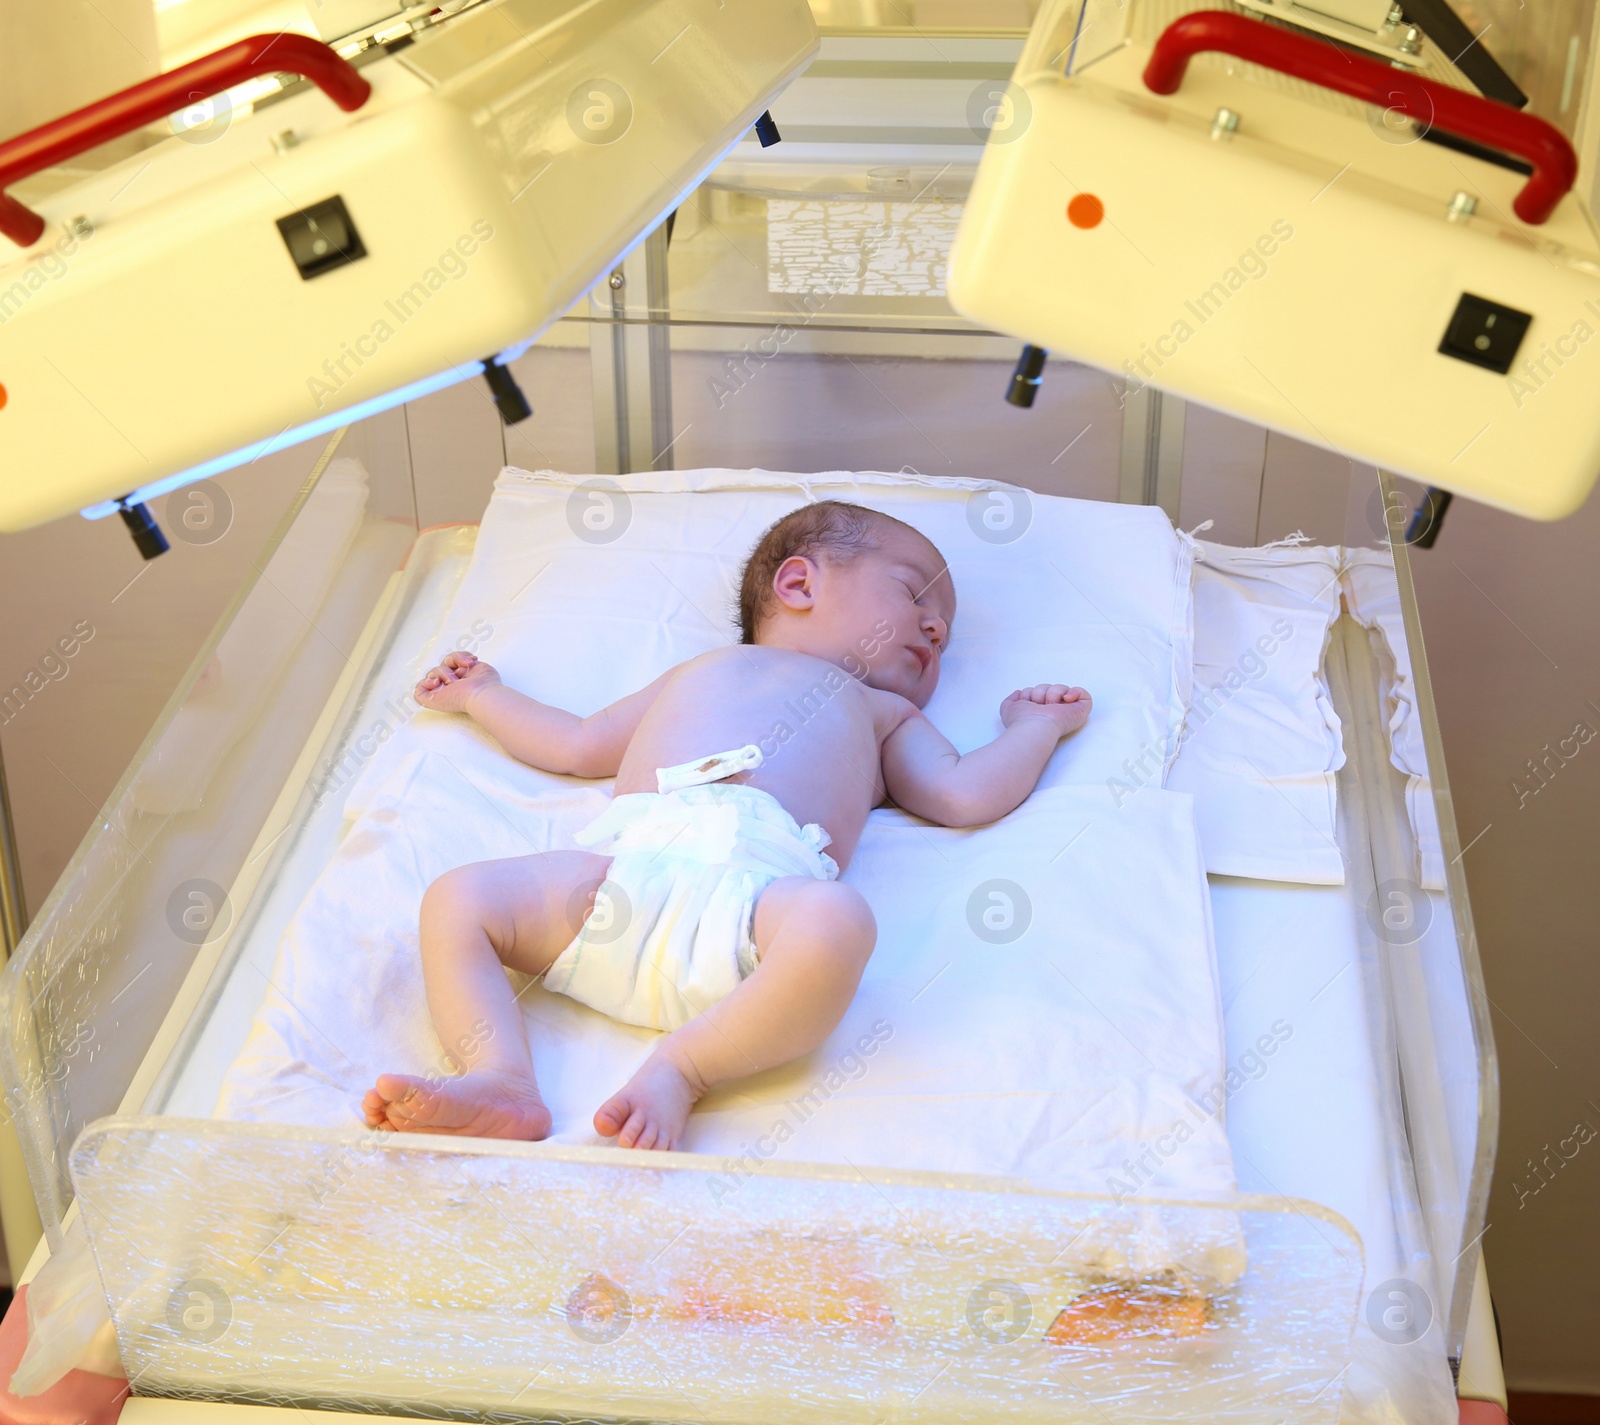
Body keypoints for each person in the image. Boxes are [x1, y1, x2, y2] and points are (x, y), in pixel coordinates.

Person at [363, 500, 1091, 1148]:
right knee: (457, 898)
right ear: (799, 584)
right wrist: (484, 696)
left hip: (752, 919)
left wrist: (1032, 729)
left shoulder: (885, 714)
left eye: (947, 633)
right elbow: (577, 741)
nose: (936, 627)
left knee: (837, 922)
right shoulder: (702, 670)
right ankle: (501, 1078)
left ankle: (684, 1067)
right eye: (913, 595)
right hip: (615, 884)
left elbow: (962, 793)